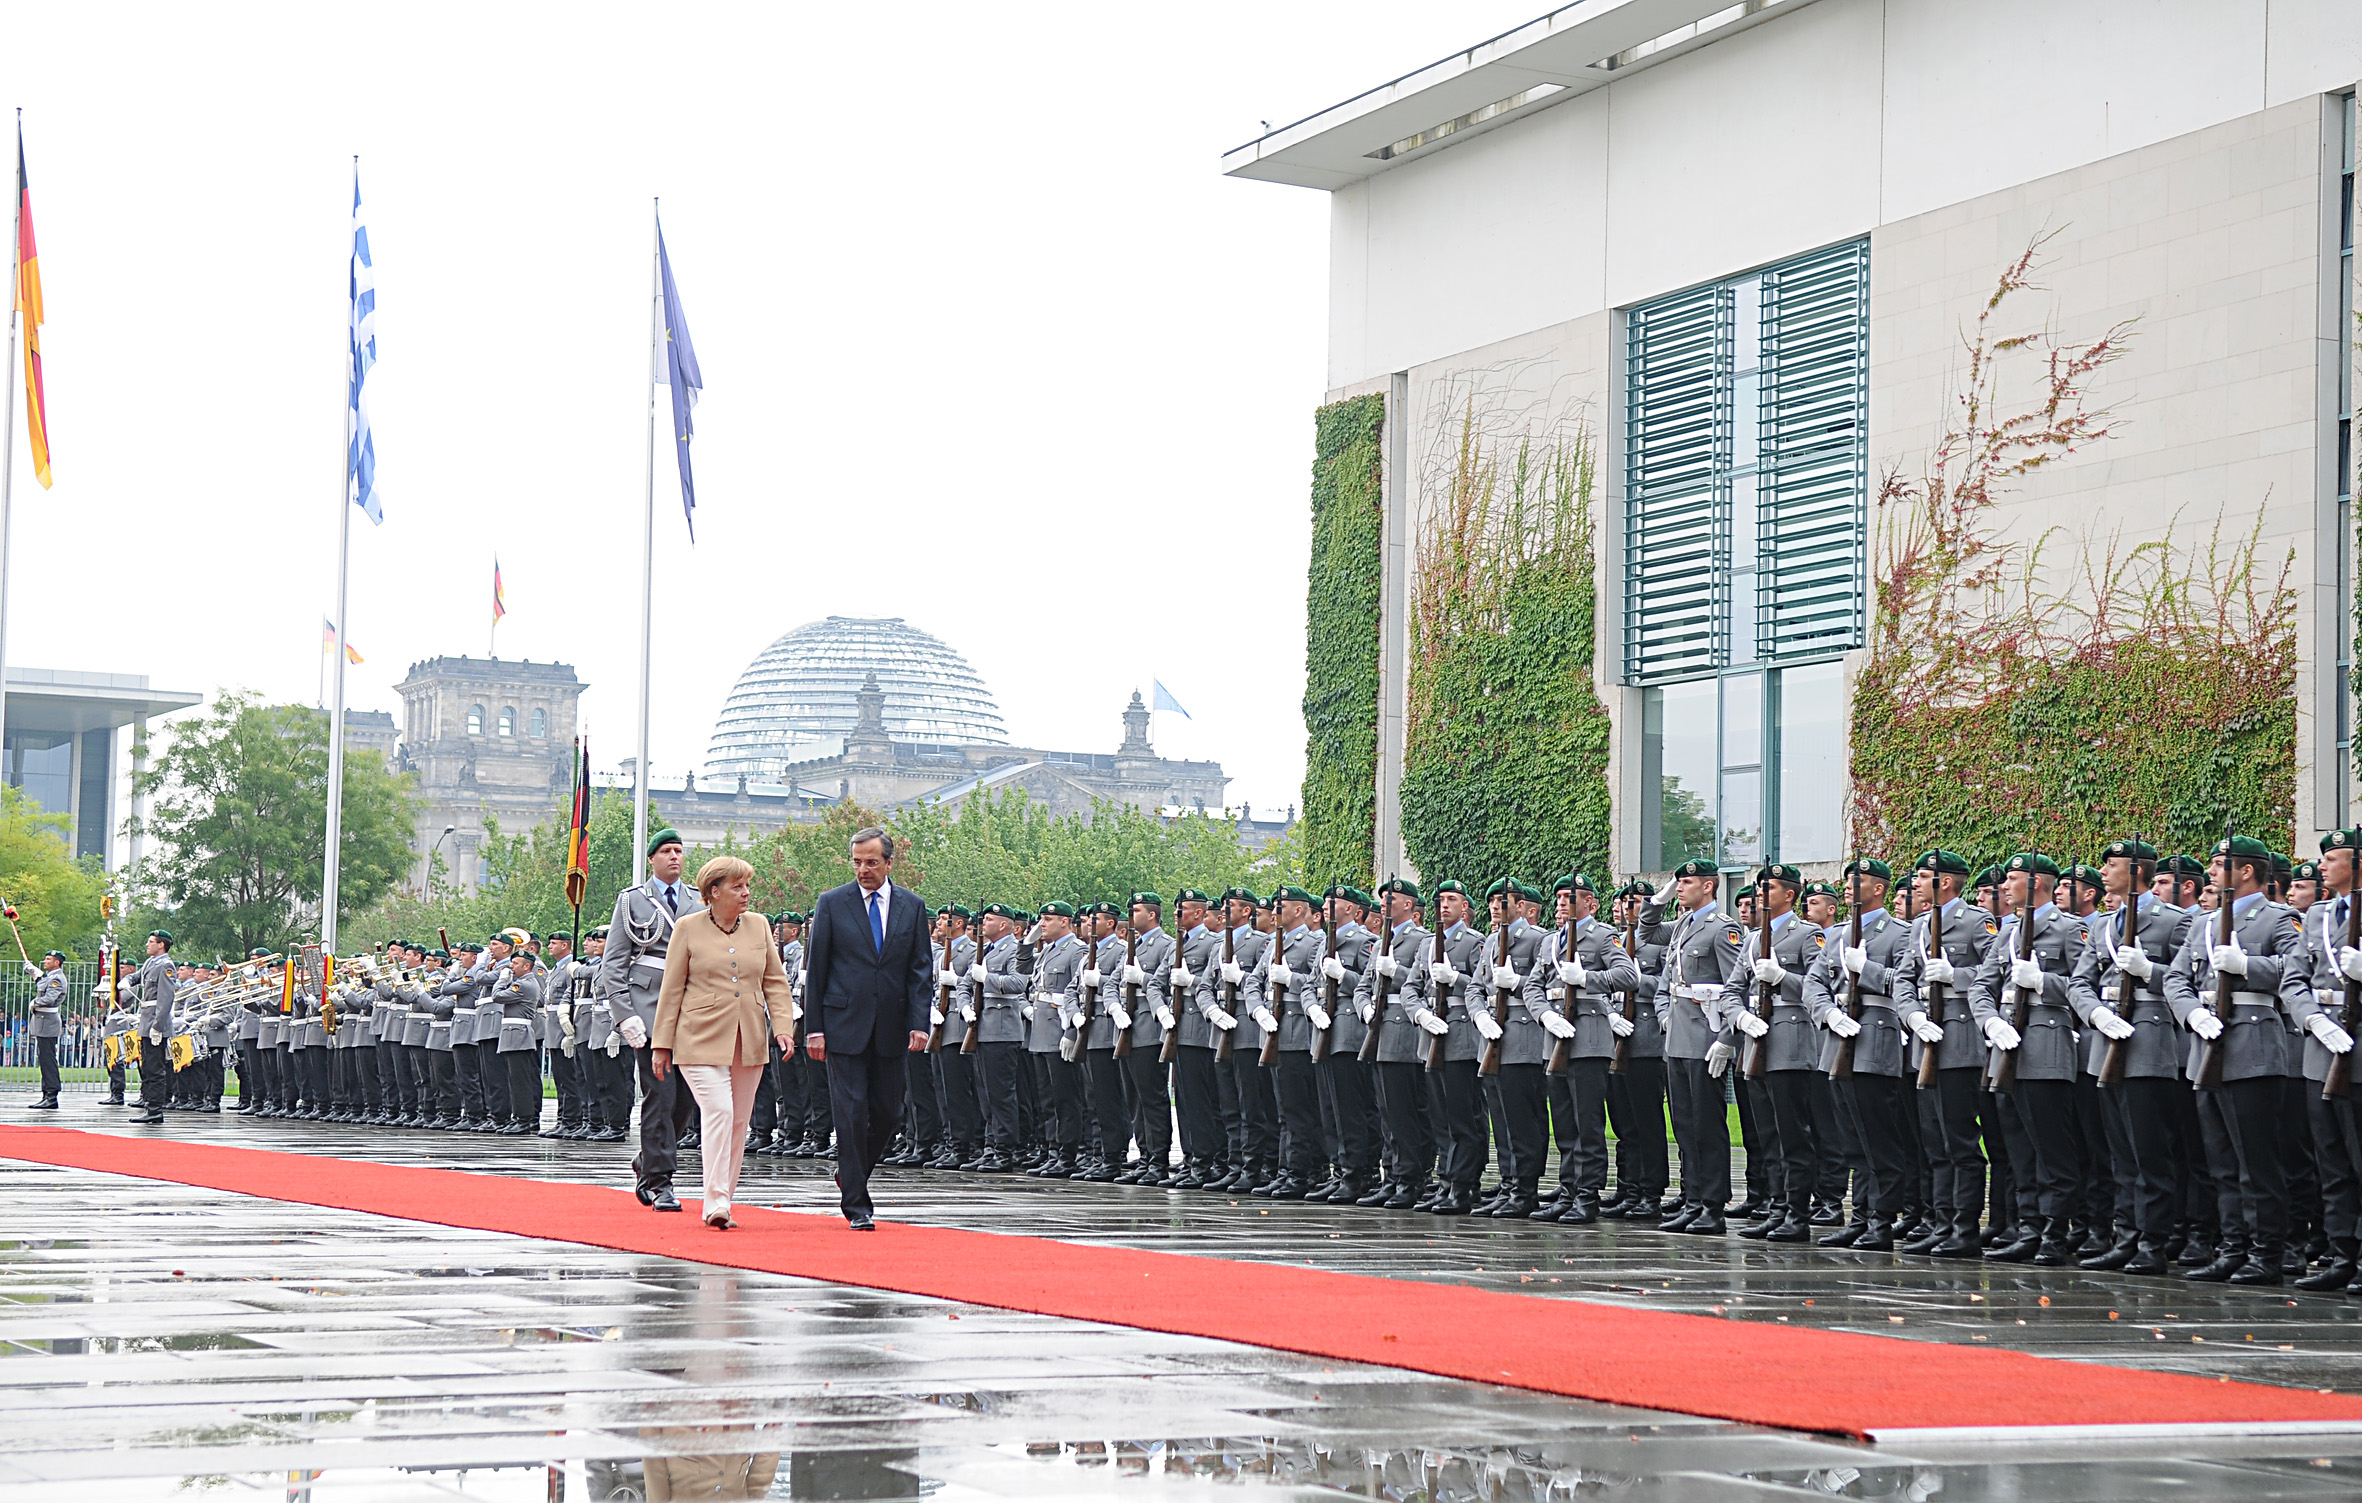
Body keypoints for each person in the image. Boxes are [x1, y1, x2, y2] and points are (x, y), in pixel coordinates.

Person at [803, 825, 933, 1230]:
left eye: (871, 862)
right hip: (843, 1025)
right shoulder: (832, 904)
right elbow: (817, 970)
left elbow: (919, 971)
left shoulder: (911, 907)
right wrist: (814, 1028)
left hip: (892, 1026)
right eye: (857, 862)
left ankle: (852, 1173)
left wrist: (919, 1022)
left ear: (889, 863)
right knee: (851, 1111)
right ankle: (857, 1203)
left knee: (889, 1112)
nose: (863, 870)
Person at [654, 855, 794, 1229]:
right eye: (737, 886)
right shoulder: (688, 928)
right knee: (719, 1111)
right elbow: (671, 990)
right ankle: (714, 1200)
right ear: (713, 892)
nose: (746, 893)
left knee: (738, 1122)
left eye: (748, 885)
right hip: (697, 1037)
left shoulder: (759, 926)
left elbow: (775, 982)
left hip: (747, 1038)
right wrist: (661, 1044)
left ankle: (724, 1200)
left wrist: (782, 1026)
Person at [602, 828, 697, 1212]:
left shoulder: (697, 899)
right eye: (667, 851)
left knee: (685, 1100)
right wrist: (624, 1015)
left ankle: (648, 1158)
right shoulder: (633, 901)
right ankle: (660, 1181)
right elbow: (613, 964)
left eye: (679, 851)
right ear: (652, 859)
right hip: (648, 1006)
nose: (675, 857)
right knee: (660, 1094)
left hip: (691, 1008)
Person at [134, 930, 177, 1125]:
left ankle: (155, 1109)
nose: (147, 945)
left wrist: (158, 1026)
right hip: (146, 1020)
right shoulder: (150, 963)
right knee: (147, 1067)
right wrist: (126, 980)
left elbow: (165, 998)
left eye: (151, 942)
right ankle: (150, 1106)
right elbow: (137, 977)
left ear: (161, 945)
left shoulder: (165, 965)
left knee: (155, 1069)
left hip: (154, 1022)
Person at [24, 949, 65, 1109]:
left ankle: (51, 1095)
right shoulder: (51, 977)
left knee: (48, 1060)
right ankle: (46, 1093)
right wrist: (36, 974)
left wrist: (36, 1002)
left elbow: (50, 997)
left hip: (47, 1022)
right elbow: (44, 985)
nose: (45, 961)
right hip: (42, 1022)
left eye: (48, 959)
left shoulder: (57, 979)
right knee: (44, 1058)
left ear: (57, 962)